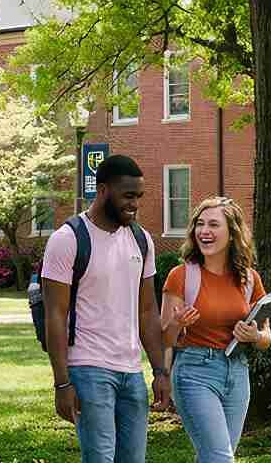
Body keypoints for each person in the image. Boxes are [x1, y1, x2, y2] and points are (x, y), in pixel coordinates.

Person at [41, 154, 168, 463]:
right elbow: (55, 315)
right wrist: (62, 382)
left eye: (139, 196)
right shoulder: (68, 239)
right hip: (88, 367)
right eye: (127, 195)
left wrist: (161, 370)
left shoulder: (141, 240)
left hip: (131, 370)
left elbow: (148, 311)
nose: (135, 204)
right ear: (102, 191)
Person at [161, 197, 271, 463]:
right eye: (200, 224)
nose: (204, 231)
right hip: (194, 371)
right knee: (220, 458)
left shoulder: (249, 278)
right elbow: (162, 337)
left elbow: (266, 338)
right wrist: (179, 323)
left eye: (213, 224)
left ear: (232, 233)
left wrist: (254, 336)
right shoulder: (181, 275)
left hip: (237, 372)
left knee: (217, 456)